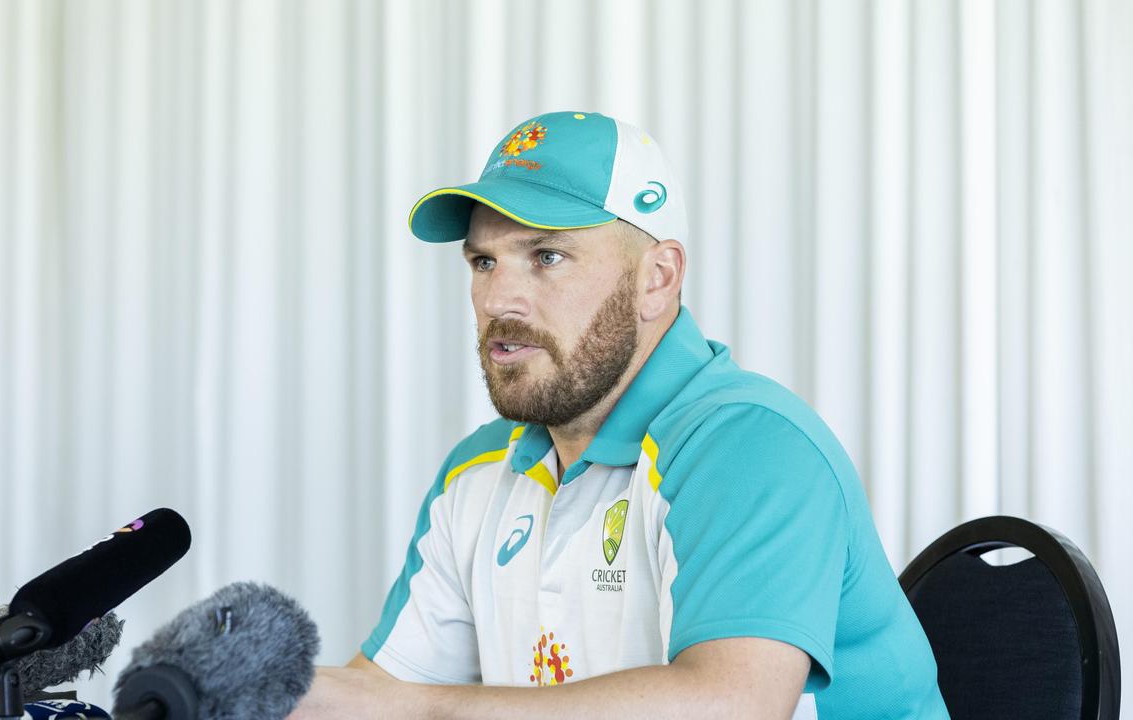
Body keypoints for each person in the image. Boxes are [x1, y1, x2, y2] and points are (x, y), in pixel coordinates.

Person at [292, 111, 949, 719]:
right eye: (483, 261)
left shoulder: (753, 446)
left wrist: (427, 709)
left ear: (657, 279)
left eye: (547, 257)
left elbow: (732, 705)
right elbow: (379, 696)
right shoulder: (477, 469)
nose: (500, 298)